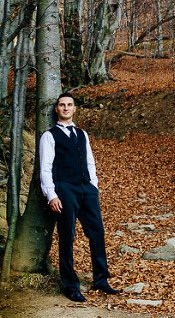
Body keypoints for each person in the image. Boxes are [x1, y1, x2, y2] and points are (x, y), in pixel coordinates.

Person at [39, 93, 121, 302]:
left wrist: (93, 185)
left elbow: (90, 161)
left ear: (75, 109)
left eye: (69, 105)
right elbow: (45, 168)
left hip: (87, 189)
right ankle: (70, 285)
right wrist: (51, 195)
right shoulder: (49, 136)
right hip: (65, 189)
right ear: (56, 109)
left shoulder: (82, 134)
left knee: (97, 233)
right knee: (67, 237)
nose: (66, 108)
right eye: (62, 105)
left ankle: (101, 280)